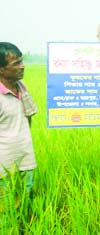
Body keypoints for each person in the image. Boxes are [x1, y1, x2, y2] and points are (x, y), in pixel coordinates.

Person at [0, 42, 37, 212]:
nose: (22, 67)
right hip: (3, 168)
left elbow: (27, 121)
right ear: (1, 69)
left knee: (26, 208)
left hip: (26, 161)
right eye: (16, 64)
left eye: (22, 61)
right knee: (6, 213)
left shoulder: (22, 88)